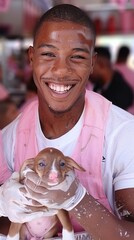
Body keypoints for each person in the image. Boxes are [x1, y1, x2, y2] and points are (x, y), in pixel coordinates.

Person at [0, 4, 134, 240]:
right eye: (49, 54)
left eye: (77, 56)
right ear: (31, 58)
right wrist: (3, 205)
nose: (61, 71)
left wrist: (78, 200)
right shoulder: (9, 139)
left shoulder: (124, 135)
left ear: (92, 63)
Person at [89, 46, 133, 111]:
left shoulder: (121, 94)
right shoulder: (99, 85)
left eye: (90, 65)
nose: (87, 71)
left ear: (101, 65)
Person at [114, 45, 134, 114]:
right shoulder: (131, 74)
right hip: (128, 113)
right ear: (127, 56)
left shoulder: (110, 70)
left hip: (109, 111)